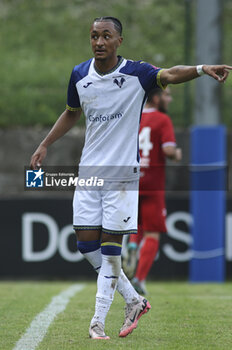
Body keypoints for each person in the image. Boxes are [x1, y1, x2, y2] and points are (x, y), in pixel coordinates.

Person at [30, 16, 232, 340]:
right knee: (85, 245)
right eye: (94, 36)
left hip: (123, 177)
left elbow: (169, 74)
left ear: (118, 41)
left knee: (111, 252)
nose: (98, 42)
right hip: (88, 175)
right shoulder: (80, 75)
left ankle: (97, 321)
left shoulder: (138, 74)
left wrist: (200, 68)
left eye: (106, 36)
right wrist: (44, 144)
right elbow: (71, 112)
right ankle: (134, 300)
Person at [123, 87, 182, 295]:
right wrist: (176, 154)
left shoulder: (131, 117)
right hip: (152, 183)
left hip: (130, 181)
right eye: (167, 95)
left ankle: (130, 245)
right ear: (156, 98)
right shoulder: (162, 120)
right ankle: (139, 279)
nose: (170, 98)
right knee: (152, 233)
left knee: (136, 224)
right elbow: (167, 150)